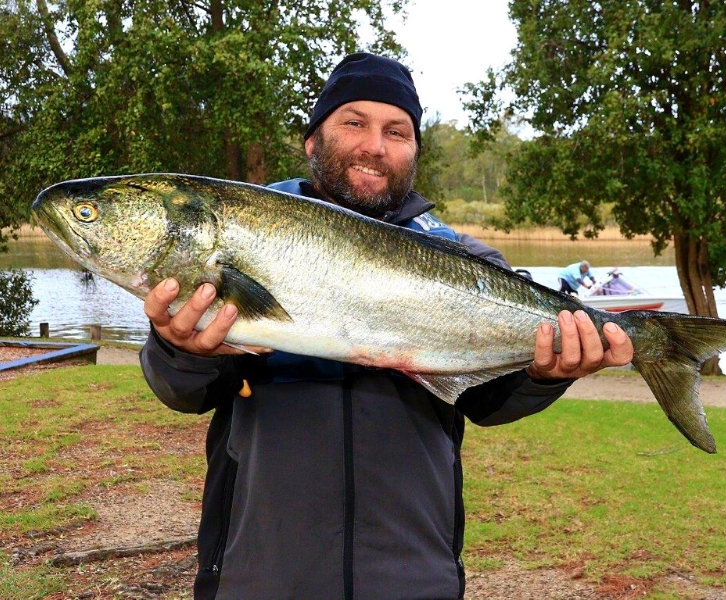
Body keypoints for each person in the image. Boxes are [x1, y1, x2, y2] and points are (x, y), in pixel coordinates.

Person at [139, 52, 634, 599]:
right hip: (261, 576)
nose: (375, 145)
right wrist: (181, 349)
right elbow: (182, 392)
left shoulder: (468, 259)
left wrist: (545, 375)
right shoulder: (243, 237)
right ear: (312, 140)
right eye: (354, 122)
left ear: (415, 151)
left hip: (414, 578)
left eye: (396, 131)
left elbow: (489, 403)